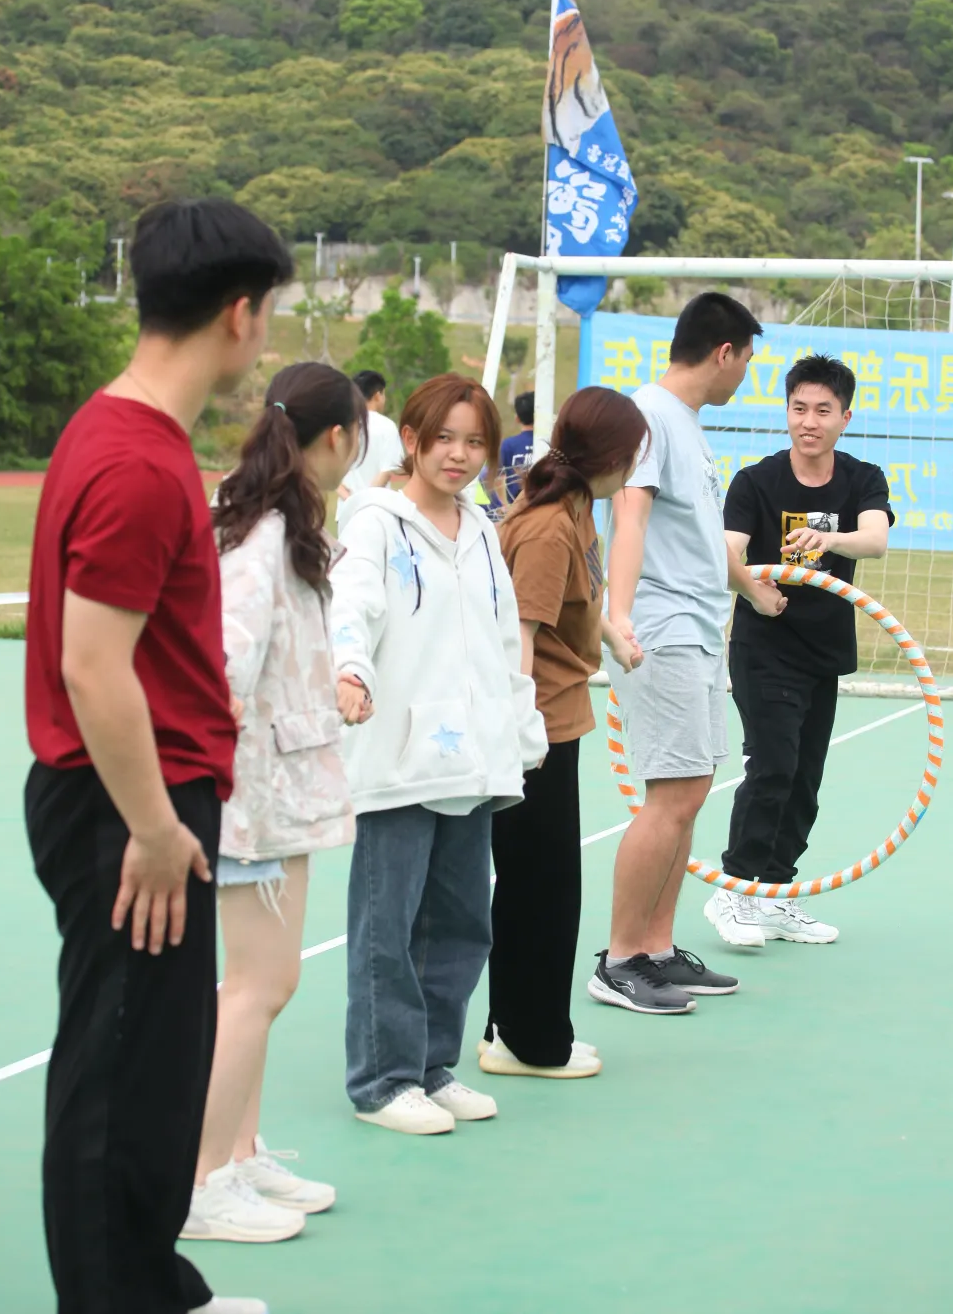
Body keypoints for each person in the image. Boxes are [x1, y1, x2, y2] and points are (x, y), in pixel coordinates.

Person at [24, 199, 294, 1314]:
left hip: (151, 801)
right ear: (239, 314)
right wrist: (148, 827)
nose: (264, 335)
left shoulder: (128, 432)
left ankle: (153, 1286)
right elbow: (95, 666)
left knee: (162, 1066)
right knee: (117, 1071)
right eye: (266, 314)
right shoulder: (136, 461)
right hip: (124, 807)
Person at [331, 373, 548, 1135]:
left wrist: (519, 728)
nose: (458, 454)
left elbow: (501, 637)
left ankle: (429, 1067)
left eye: (475, 441)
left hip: (472, 759)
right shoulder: (375, 524)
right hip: (399, 758)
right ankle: (382, 1081)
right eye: (445, 438)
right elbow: (351, 603)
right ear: (412, 441)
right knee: (388, 928)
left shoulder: (482, 529)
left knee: (460, 924)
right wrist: (350, 669)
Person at [183, 363, 367, 1245]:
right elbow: (221, 665)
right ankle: (199, 1182)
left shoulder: (277, 519)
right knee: (260, 985)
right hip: (248, 792)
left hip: (279, 787)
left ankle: (239, 1153)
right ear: (339, 437)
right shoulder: (260, 534)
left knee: (261, 984)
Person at [593, 292, 787, 1015]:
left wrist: (751, 588)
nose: (744, 376)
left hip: (703, 628)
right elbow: (631, 519)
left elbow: (701, 535)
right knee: (670, 795)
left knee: (691, 790)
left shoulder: (687, 425)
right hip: (662, 628)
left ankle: (657, 948)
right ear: (724, 353)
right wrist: (618, 616)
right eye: (747, 362)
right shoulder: (648, 416)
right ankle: (619, 961)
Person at [480, 386, 648, 1081]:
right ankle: (531, 1042)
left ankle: (512, 1029)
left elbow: (573, 600)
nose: (635, 468)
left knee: (539, 885)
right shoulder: (551, 526)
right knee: (542, 890)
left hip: (554, 718)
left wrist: (612, 638)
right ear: (609, 458)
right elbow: (519, 634)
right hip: (536, 729)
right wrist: (522, 739)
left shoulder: (576, 512)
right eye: (632, 455)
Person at [712, 353, 894, 947]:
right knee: (773, 766)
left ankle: (775, 891)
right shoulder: (756, 481)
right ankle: (735, 889)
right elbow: (726, 551)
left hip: (824, 648)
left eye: (822, 410)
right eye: (798, 409)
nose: (808, 422)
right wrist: (755, 592)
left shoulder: (862, 478)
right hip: (764, 646)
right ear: (786, 412)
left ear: (845, 418)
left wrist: (828, 537)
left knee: (804, 779)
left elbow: (875, 540)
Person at [338, 369, 403, 498]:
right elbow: (386, 471)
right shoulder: (387, 426)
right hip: (377, 505)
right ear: (378, 396)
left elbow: (333, 473)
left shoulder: (342, 425)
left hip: (346, 507)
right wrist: (366, 501)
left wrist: (350, 499)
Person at [491, 390, 535, 509]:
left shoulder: (508, 444)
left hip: (516, 506)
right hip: (546, 505)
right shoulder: (550, 442)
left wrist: (504, 505)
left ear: (517, 418)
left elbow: (498, 478)